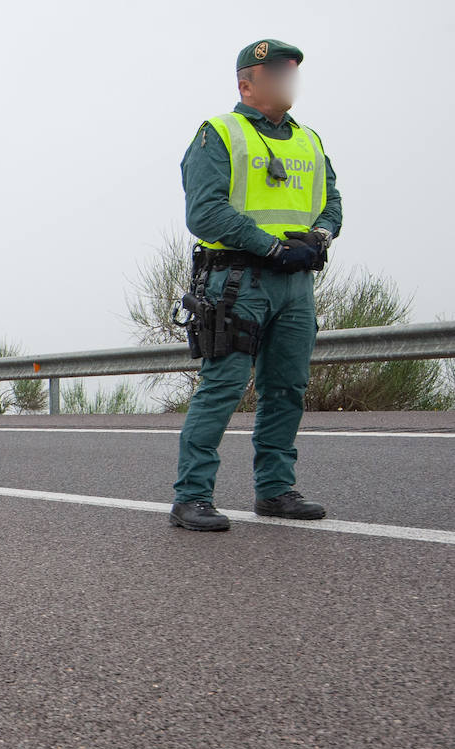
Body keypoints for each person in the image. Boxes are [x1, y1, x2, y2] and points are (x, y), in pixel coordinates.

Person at [171, 39, 342, 532]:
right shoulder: (218, 134)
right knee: (223, 387)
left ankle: (275, 490)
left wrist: (321, 236)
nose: (289, 81)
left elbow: (332, 201)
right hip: (237, 281)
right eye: (277, 72)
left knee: (286, 388)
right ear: (247, 83)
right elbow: (205, 211)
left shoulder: (308, 139)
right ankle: (192, 496)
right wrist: (271, 246)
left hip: (295, 285)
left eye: (292, 72)